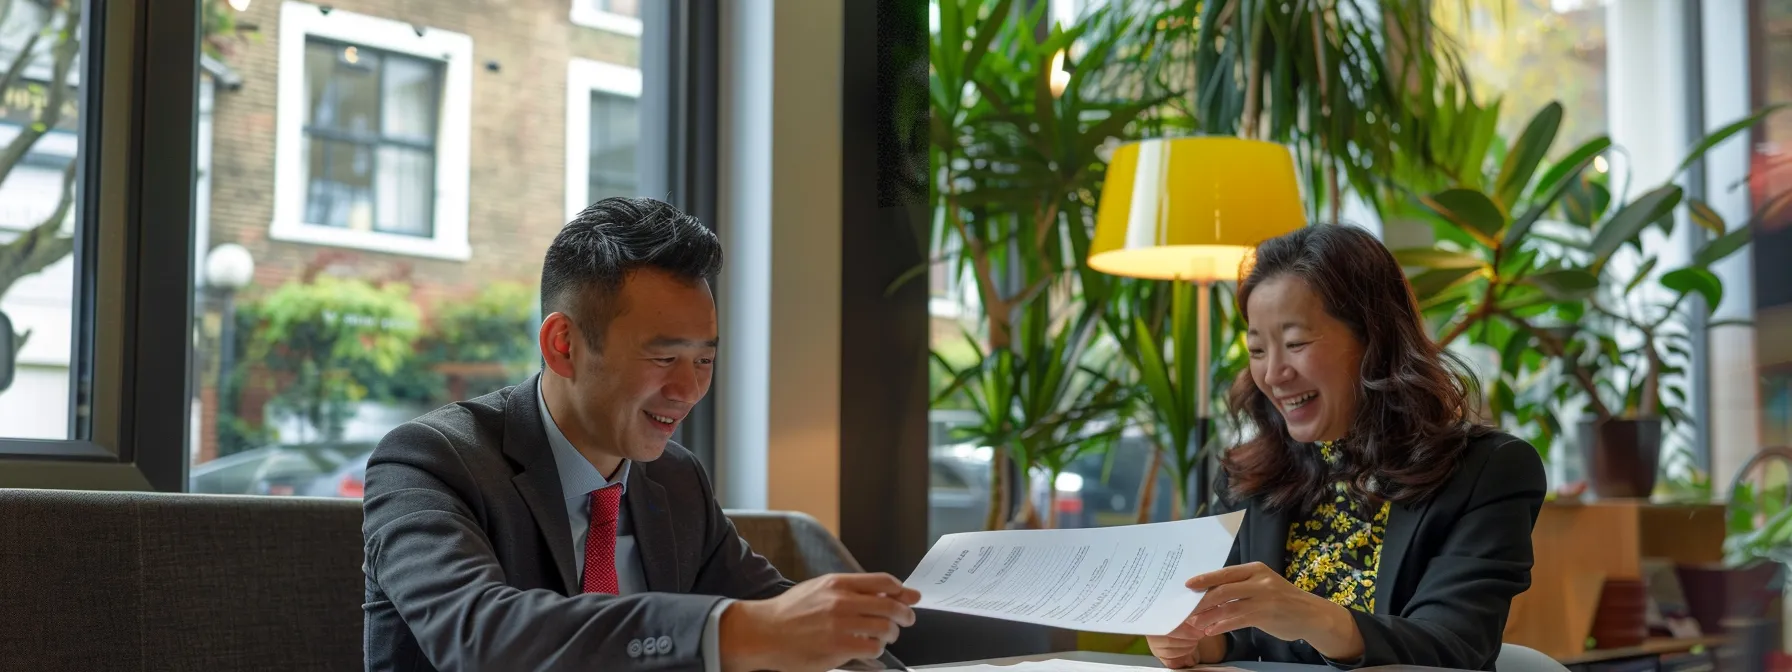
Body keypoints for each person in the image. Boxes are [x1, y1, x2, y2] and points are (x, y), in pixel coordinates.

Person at [362, 197, 919, 672]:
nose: (687, 390)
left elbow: (783, 611)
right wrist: (733, 631)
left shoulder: (675, 480)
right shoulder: (431, 461)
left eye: (704, 359)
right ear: (564, 345)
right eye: (663, 356)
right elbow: (479, 636)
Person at [1147, 224, 1547, 670]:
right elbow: (1238, 638)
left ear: (1373, 339)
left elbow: (1455, 646)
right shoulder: (1250, 475)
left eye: (1296, 343)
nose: (1274, 374)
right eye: (1258, 350)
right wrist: (1193, 640)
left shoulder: (1488, 470)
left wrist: (1313, 617)